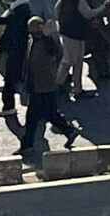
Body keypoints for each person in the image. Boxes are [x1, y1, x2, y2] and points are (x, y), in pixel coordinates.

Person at [17, 18, 80, 156]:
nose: (31, 31)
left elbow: (58, 53)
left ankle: (27, 145)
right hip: (37, 85)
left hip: (45, 85)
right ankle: (69, 130)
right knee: (48, 113)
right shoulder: (32, 41)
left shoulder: (47, 42)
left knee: (34, 117)